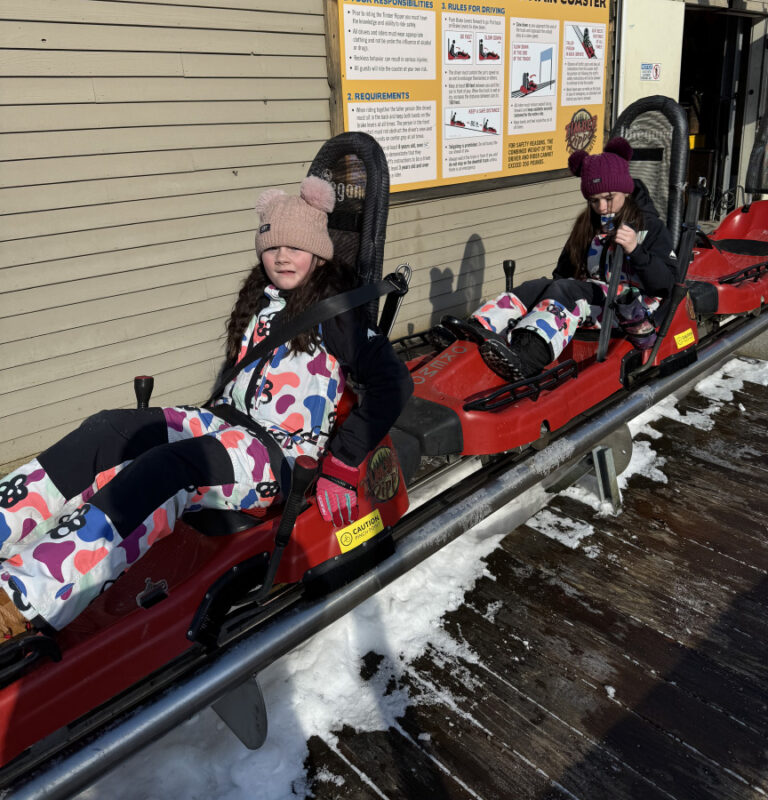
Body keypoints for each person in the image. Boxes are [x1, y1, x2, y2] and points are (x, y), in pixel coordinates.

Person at [0, 176, 413, 638]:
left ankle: (23, 596)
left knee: (168, 470)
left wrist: (343, 464)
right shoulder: (261, 297)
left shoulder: (338, 315)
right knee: (109, 430)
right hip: (224, 423)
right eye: (274, 246)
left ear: (318, 252)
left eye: (296, 248)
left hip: (275, 456)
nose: (282, 257)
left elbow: (394, 382)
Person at [471, 138, 677, 382]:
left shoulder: (649, 226)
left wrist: (635, 249)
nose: (601, 206)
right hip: (595, 300)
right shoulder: (587, 225)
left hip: (632, 308)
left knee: (566, 289)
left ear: (625, 191)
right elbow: (563, 272)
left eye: (609, 197)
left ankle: (528, 357)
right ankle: (479, 330)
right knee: (537, 286)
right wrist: (549, 295)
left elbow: (666, 284)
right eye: (594, 200)